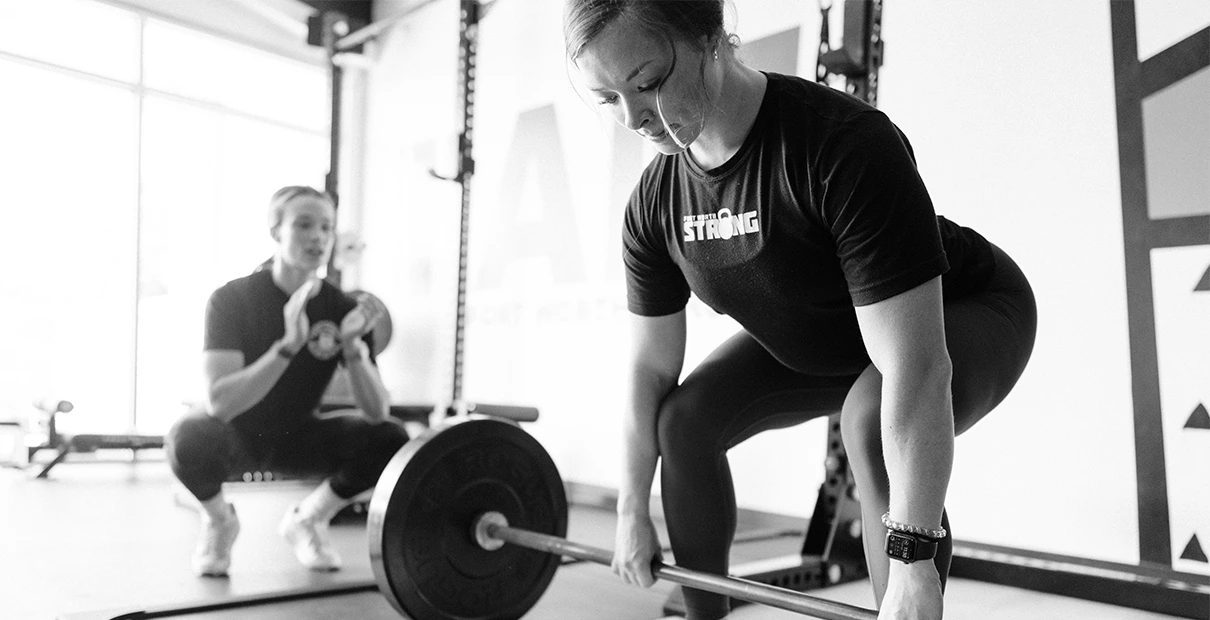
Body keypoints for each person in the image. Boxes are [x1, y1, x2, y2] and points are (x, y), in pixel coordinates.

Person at [562, 1, 1037, 619]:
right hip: (828, 339)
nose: (632, 118)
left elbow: (915, 369)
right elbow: (650, 372)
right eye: (607, 98)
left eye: (648, 83)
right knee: (685, 422)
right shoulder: (654, 205)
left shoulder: (842, 145)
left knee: (866, 421)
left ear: (710, 38)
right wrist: (631, 512)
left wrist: (914, 563)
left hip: (963, 312)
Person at [165, 186, 409, 577]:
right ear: (276, 230)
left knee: (392, 438)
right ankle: (220, 521)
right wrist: (287, 346)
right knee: (187, 437)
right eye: (304, 225)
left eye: (327, 228)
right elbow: (221, 404)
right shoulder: (231, 300)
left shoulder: (343, 309)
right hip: (238, 434)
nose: (318, 237)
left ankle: (308, 520)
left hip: (299, 433)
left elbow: (377, 409)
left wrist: (352, 348)